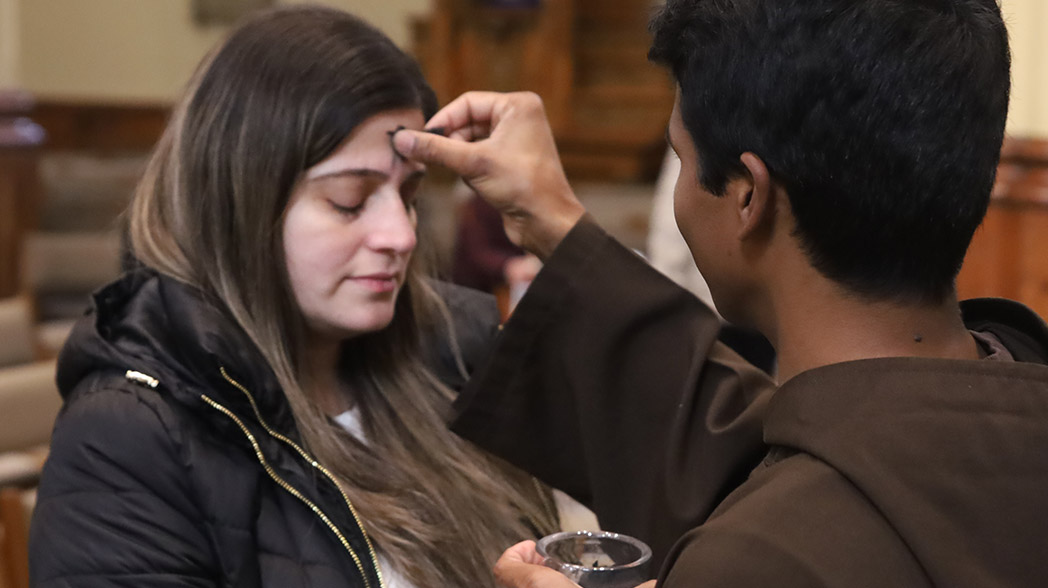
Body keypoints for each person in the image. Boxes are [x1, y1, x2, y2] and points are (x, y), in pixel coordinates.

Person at [392, 0, 1048, 586]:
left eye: (680, 156)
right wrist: (557, 223)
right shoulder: (1006, 393)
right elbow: (750, 451)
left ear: (746, 196)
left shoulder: (759, 558)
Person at [28, 7, 559, 588]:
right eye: (350, 201)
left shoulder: (457, 355)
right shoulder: (128, 437)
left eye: (407, 194)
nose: (402, 236)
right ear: (240, 206)